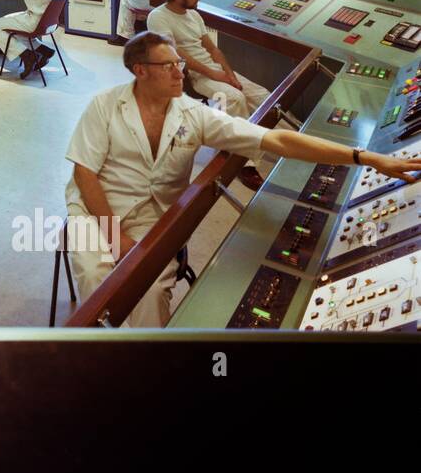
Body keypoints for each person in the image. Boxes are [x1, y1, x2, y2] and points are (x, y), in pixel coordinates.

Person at [64, 32, 421, 327]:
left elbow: (277, 141)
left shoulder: (194, 113)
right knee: (99, 284)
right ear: (139, 70)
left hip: (154, 219)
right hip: (96, 212)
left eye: (180, 63)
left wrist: (362, 157)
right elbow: (85, 173)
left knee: (151, 290)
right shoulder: (104, 106)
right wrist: (118, 238)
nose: (179, 72)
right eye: (169, 65)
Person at [147, 0, 273, 190]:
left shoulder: (194, 15)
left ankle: (252, 141)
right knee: (234, 98)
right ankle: (244, 163)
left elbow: (213, 49)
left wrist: (229, 74)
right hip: (191, 74)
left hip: (214, 71)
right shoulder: (158, 17)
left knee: (264, 96)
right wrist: (214, 75)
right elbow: (175, 54)